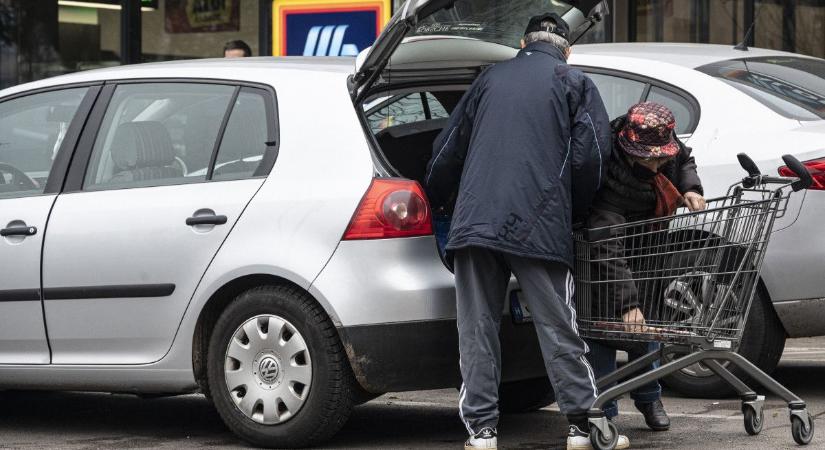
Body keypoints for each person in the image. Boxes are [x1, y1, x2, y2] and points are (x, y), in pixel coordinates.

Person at [425, 13, 623, 450]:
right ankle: (580, 424)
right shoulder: (574, 82)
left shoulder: (489, 79)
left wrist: (442, 200)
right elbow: (592, 158)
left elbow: (446, 149)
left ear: (521, 42)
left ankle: (481, 431)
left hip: (475, 223)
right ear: (566, 50)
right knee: (557, 325)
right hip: (539, 223)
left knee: (476, 329)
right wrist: (574, 211)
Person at [584, 102, 705, 435]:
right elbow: (607, 249)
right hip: (607, 261)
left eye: (661, 157)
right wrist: (627, 304)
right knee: (603, 330)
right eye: (649, 158)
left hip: (649, 249)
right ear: (629, 148)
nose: (657, 164)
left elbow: (684, 158)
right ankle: (603, 411)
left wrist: (691, 187)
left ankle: (650, 397)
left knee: (646, 325)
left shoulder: (665, 147)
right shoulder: (607, 171)